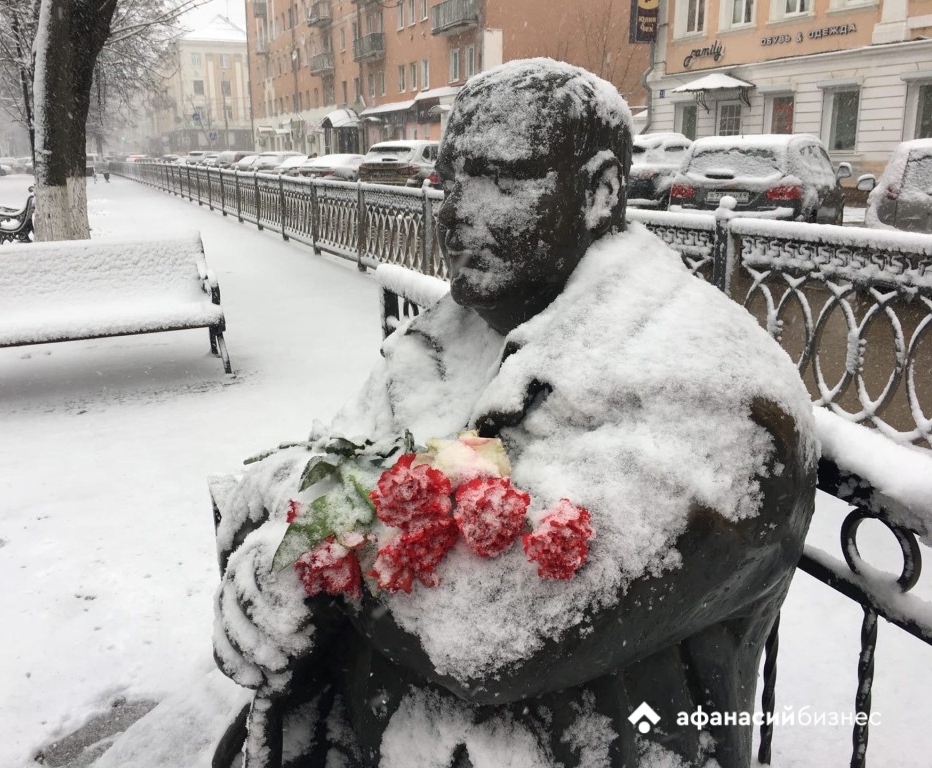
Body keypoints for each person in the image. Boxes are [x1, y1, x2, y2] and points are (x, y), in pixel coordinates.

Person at [211, 59, 817, 768]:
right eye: (451, 178)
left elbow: (485, 632)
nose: (459, 210)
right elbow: (335, 463)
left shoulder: (716, 389)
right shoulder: (454, 328)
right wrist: (284, 537)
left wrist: (308, 552)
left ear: (599, 191)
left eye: (503, 178)